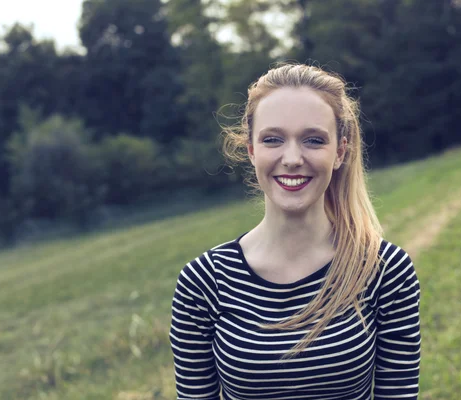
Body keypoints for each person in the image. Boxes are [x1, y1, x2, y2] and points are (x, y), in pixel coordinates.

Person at [169, 63, 421, 400]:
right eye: (273, 139)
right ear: (252, 150)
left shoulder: (385, 270)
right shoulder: (203, 281)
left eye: (313, 140)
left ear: (340, 152)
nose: (291, 158)